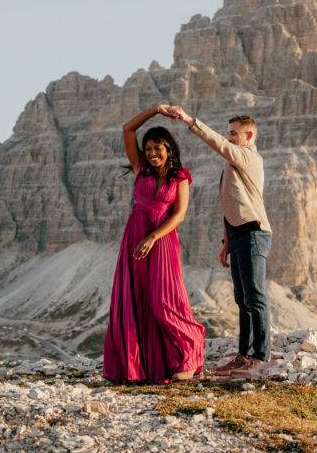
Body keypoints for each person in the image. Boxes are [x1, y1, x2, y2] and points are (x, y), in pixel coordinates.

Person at [102, 104, 205, 384]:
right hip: (134, 240)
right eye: (148, 149)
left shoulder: (180, 177)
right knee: (135, 299)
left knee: (164, 302)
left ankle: (188, 353)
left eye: (157, 148)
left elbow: (179, 215)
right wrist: (156, 110)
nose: (152, 153)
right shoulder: (140, 169)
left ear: (168, 148)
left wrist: (153, 236)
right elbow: (128, 129)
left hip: (162, 241)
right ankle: (137, 369)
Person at [167, 107, 272, 379]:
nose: (230, 138)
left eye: (234, 134)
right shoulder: (232, 164)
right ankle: (243, 355)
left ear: (249, 135)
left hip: (254, 233)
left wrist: (190, 121)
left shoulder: (248, 156)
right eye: (229, 134)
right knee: (242, 299)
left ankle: (259, 356)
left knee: (255, 297)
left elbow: (218, 145)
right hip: (238, 235)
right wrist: (226, 242)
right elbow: (230, 204)